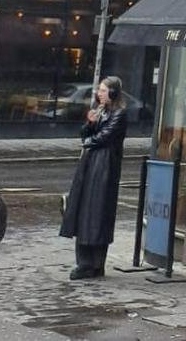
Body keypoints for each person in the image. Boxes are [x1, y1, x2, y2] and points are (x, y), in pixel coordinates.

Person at [60, 75, 127, 279]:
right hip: (91, 163)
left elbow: (106, 136)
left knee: (98, 212)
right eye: (99, 90)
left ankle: (95, 263)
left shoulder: (119, 114)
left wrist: (89, 141)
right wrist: (90, 123)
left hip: (104, 165)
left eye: (103, 90)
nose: (99, 94)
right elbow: (85, 133)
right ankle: (86, 262)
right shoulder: (100, 111)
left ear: (113, 93)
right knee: (85, 209)